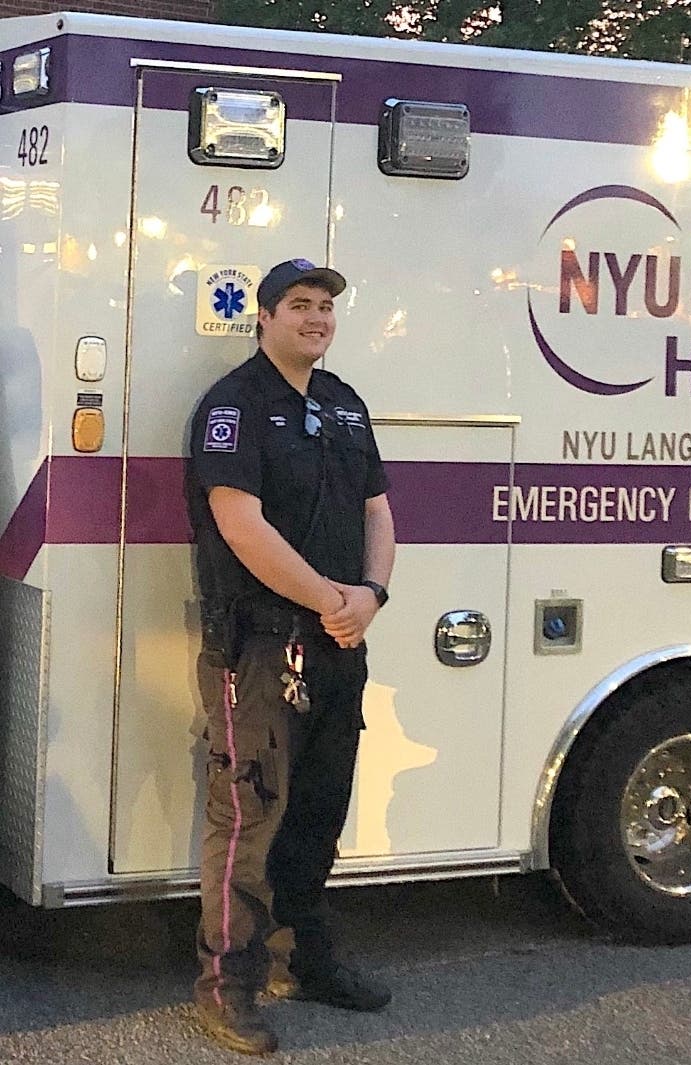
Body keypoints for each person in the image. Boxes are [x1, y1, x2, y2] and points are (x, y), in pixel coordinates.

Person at [186, 258, 396, 1054]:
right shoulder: (233, 406)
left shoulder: (344, 405)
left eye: (326, 307)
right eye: (300, 305)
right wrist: (327, 598)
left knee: (317, 812)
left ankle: (304, 960)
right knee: (247, 816)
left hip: (338, 644)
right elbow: (240, 523)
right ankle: (225, 986)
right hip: (261, 648)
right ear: (264, 316)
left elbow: (379, 510)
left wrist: (370, 592)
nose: (317, 318)